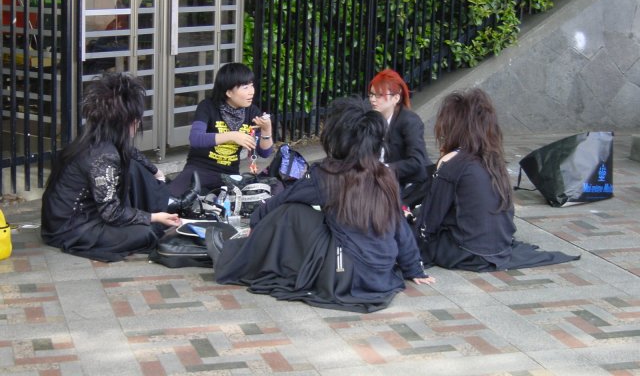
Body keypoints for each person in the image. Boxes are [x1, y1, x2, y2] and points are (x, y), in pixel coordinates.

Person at [214, 96, 435, 313]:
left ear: (337, 137)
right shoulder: (385, 174)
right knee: (302, 213)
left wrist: (255, 223)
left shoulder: (327, 174)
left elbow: (281, 200)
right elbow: (399, 226)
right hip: (379, 275)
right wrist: (414, 268)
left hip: (343, 275)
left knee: (290, 212)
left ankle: (246, 254)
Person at [415, 88, 580, 271]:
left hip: (466, 252)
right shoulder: (492, 159)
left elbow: (429, 223)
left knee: (403, 230)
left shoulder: (453, 162)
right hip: (499, 247)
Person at [40, 72, 194, 262]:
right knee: (147, 233)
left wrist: (155, 170)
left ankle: (167, 203)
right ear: (126, 122)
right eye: (136, 119)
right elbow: (111, 212)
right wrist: (152, 217)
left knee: (135, 168)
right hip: (73, 228)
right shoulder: (103, 156)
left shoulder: (96, 138)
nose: (138, 124)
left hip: (69, 219)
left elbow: (131, 152)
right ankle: (166, 206)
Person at [168, 63, 274, 196]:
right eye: (245, 87)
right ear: (229, 92)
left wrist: (267, 130)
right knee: (171, 200)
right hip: (199, 170)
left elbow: (265, 153)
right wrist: (232, 136)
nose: (251, 91)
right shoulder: (207, 107)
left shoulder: (252, 111)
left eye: (251, 85)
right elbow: (195, 139)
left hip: (229, 175)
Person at [368, 68, 432, 207]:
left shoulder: (409, 121)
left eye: (379, 95)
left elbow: (416, 161)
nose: (373, 99)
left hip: (412, 185)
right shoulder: (373, 120)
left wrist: (384, 169)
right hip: (385, 182)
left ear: (396, 98)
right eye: (371, 94)